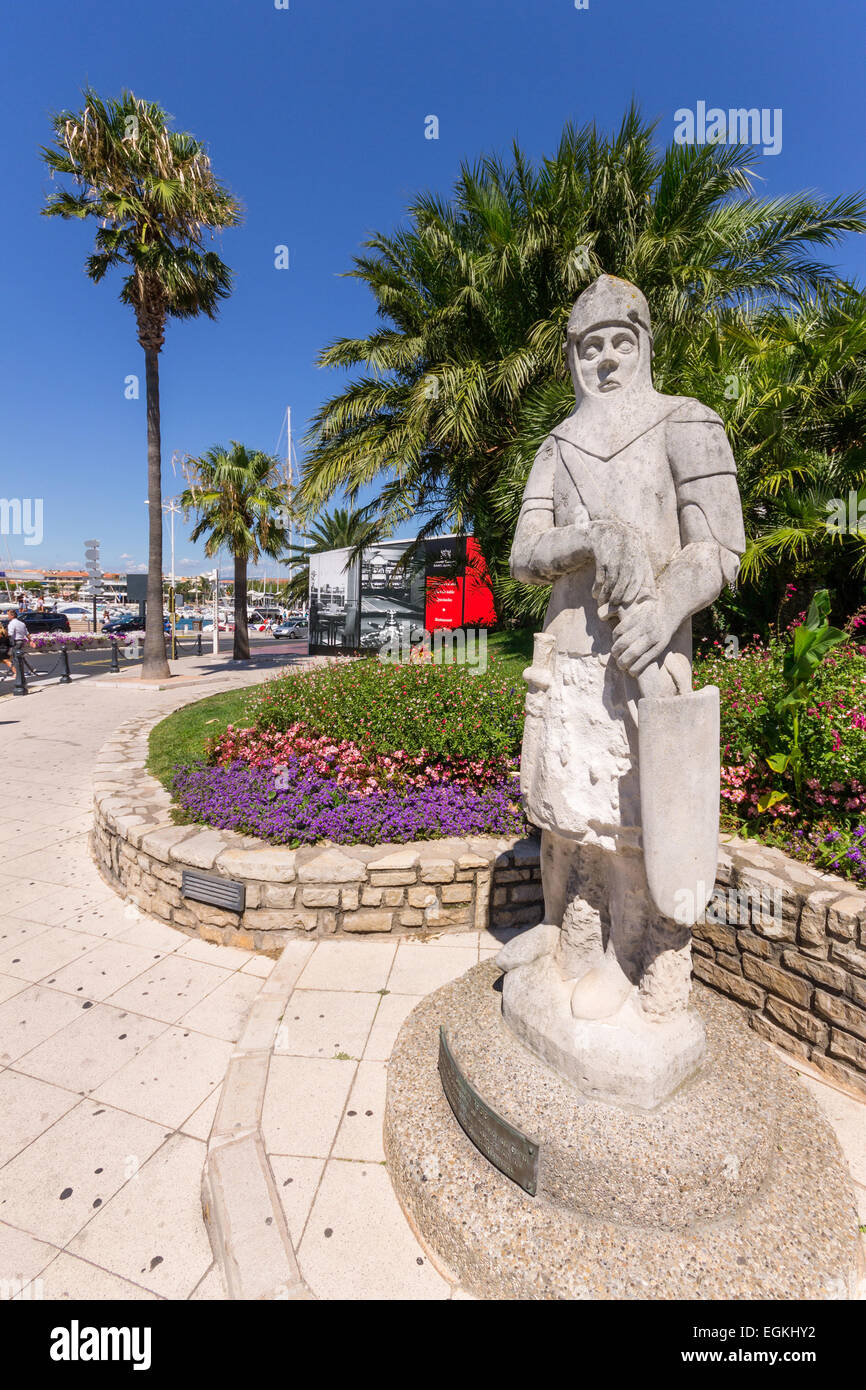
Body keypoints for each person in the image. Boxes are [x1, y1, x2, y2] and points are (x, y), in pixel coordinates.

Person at [500, 275, 745, 1024]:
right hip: (566, 654)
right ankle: (567, 936)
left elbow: (722, 549)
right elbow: (522, 553)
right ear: (572, 357)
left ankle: (630, 956)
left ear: (642, 346)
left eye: (619, 343)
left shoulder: (689, 423)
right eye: (589, 346)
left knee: (630, 818)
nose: (604, 360)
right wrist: (588, 537)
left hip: (644, 657)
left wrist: (666, 605)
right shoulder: (557, 444)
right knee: (566, 809)